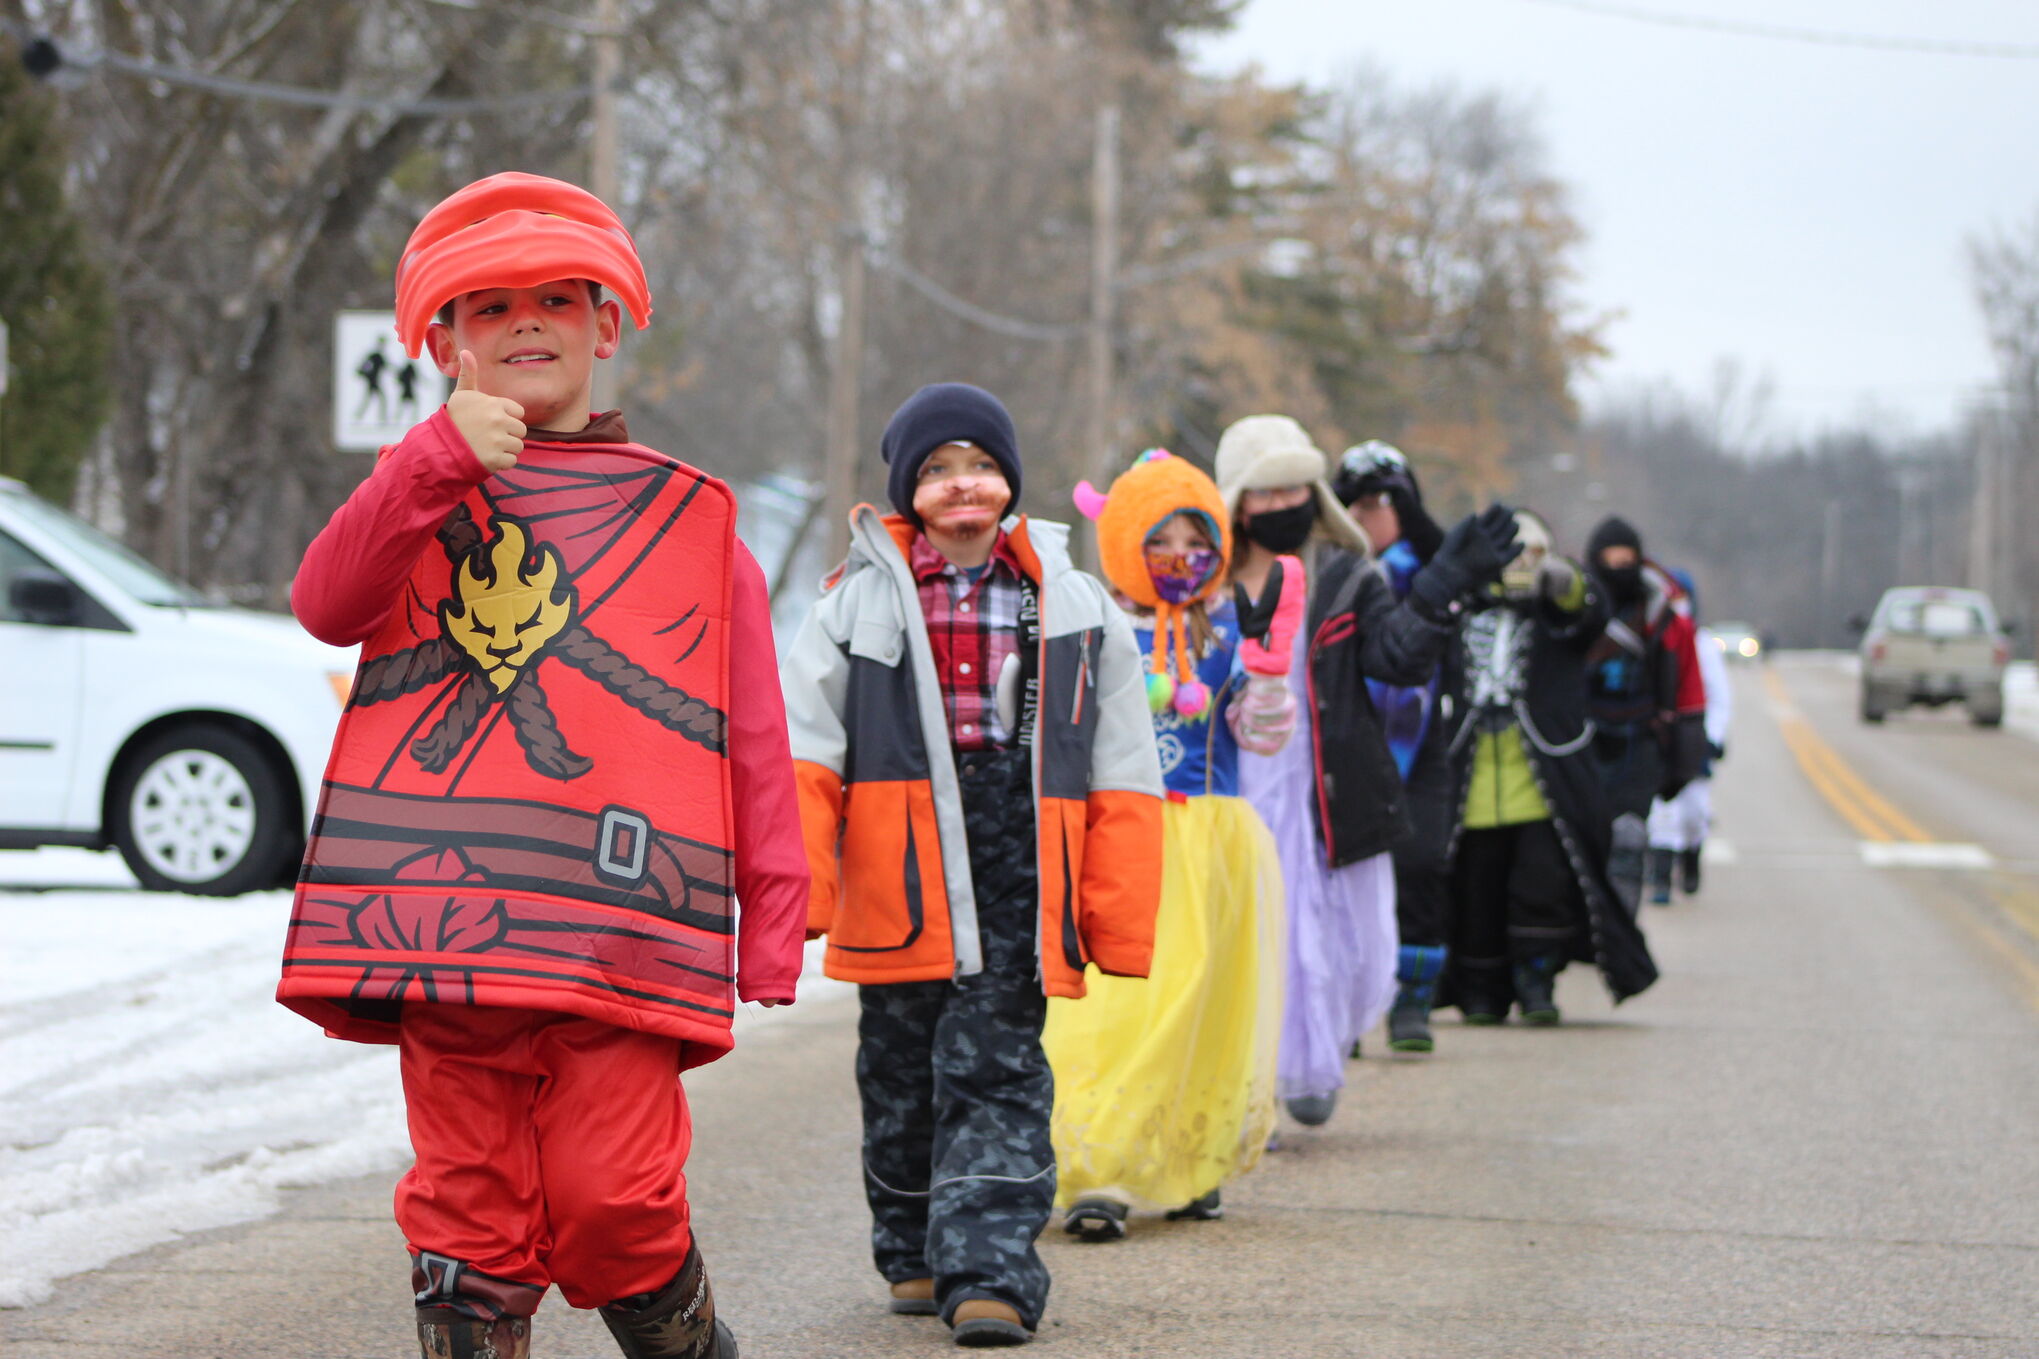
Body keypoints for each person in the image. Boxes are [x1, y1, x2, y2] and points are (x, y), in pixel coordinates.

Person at [279, 173, 809, 1359]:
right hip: (441, 912)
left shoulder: (689, 519)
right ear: (442, 342)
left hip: (622, 918)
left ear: (603, 324)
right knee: (468, 1220)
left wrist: (771, 915)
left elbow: (748, 732)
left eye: (556, 299)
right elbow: (326, 603)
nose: (526, 323)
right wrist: (432, 463)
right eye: (489, 305)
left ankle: (686, 1338)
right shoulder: (412, 488)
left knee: (614, 1198)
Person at [780, 383, 1164, 1347]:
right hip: (893, 869)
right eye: (940, 469)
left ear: (1009, 483)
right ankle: (911, 1247)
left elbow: (1121, 761)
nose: (965, 485)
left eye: (982, 466)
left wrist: (1115, 910)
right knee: (900, 1071)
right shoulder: (853, 603)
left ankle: (989, 1268)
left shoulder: (1070, 603)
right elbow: (806, 751)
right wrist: (807, 890)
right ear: (910, 489)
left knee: (996, 1069)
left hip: (1020, 862)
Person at [1218, 415, 1518, 1126]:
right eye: (1264, 492)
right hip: (1229, 784)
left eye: (1295, 487)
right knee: (1243, 931)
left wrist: (1443, 581)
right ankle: (1243, 1071)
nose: (1281, 504)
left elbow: (1397, 657)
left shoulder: (1346, 575)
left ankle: (1312, 1052)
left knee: (1335, 938)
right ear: (1235, 500)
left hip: (1325, 783)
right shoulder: (1203, 577)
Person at [1045, 449, 1301, 1242]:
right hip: (1120, 834)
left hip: (1211, 838)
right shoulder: (1091, 621)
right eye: (1160, 541)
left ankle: (1191, 1164)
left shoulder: (1228, 623)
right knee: (1118, 1007)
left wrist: (1264, 672)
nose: (1181, 559)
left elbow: (1259, 739)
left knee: (1201, 1004)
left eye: (1196, 541)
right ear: (1125, 541)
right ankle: (1101, 1167)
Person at [1438, 512, 1658, 1025]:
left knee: (1543, 885)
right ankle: (1481, 990)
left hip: (1542, 772)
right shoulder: (1459, 609)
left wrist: (1562, 583)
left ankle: (1536, 980)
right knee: (1475, 886)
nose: (1518, 567)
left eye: (1529, 557)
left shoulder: (1557, 618)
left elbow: (1590, 609)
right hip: (1472, 771)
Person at [1332, 440, 1457, 1054]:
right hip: (1347, 736)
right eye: (1352, 504)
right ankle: (1348, 1003)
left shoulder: (1423, 565)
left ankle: (1414, 1000)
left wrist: (1417, 522)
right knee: (1346, 872)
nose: (1366, 516)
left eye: (1381, 504)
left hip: (1423, 738)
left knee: (1422, 865)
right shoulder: (1334, 569)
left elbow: (1460, 582)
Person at [1582, 516, 1709, 914]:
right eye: (1610, 560)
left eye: (1627, 561)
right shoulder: (1577, 607)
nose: (1619, 570)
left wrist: (1686, 755)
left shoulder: (1664, 614)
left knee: (1630, 836)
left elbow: (1688, 685)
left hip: (1641, 736)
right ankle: (1588, 924)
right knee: (1587, 837)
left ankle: (1620, 925)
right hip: (1583, 736)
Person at [1647, 568, 1731, 902]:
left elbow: (1719, 696)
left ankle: (1691, 858)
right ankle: (1661, 880)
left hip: (1692, 736)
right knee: (1663, 813)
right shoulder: (1651, 637)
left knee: (1695, 812)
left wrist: (1712, 737)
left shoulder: (1702, 642)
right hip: (1661, 737)